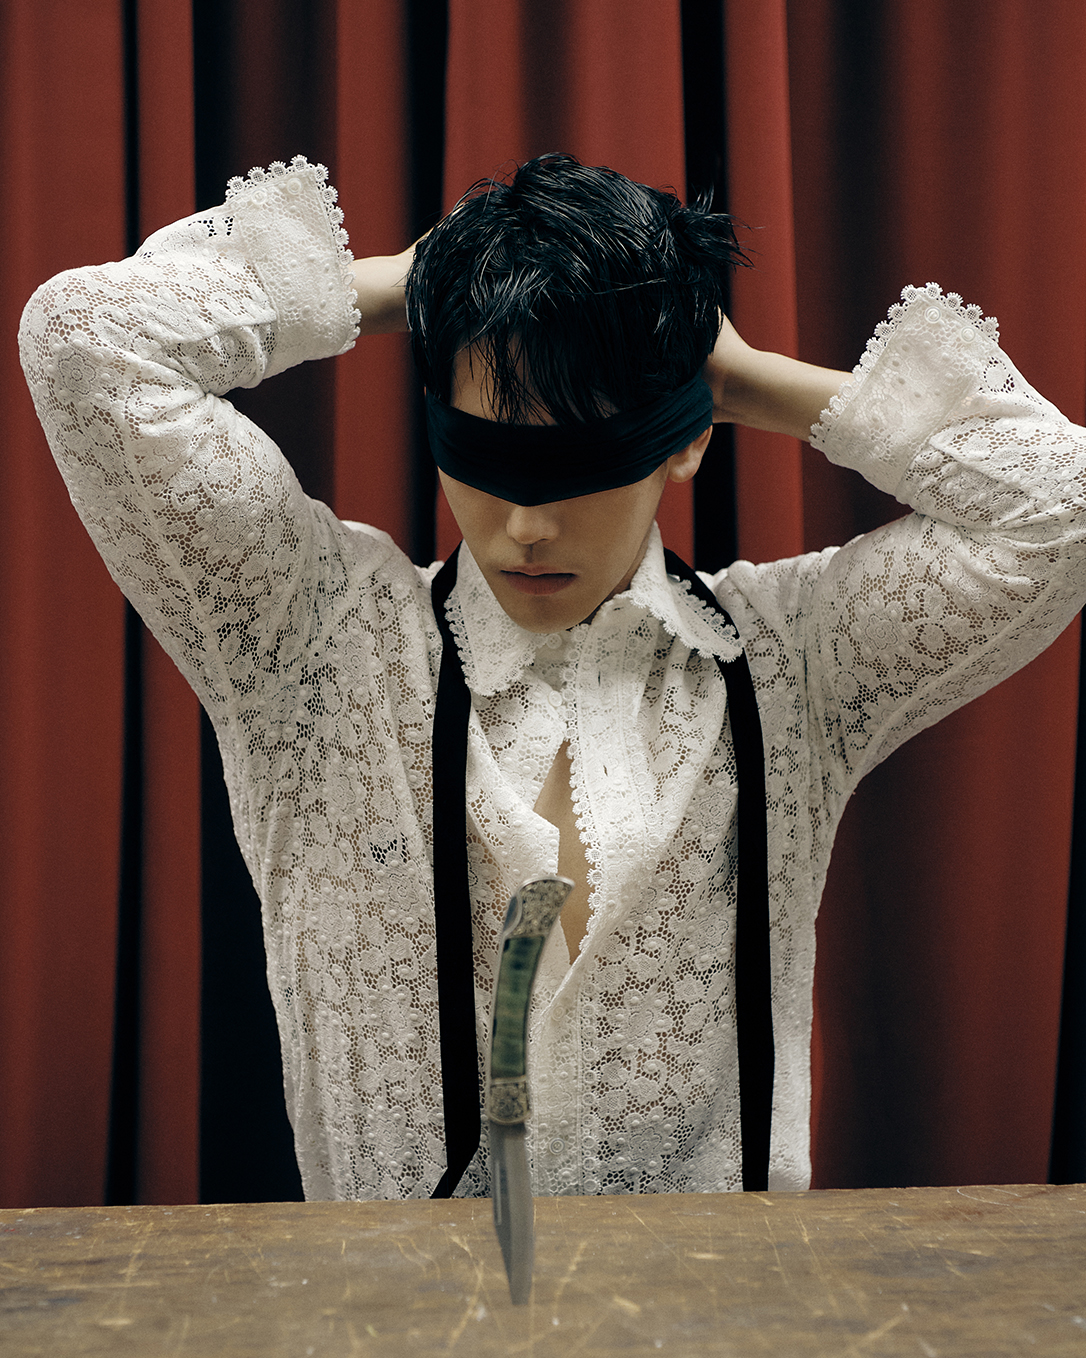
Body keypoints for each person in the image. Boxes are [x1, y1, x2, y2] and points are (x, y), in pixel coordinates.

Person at [19, 153, 1086, 1202]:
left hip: (734, 1298)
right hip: (382, 1302)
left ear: (684, 442)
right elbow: (81, 336)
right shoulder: (316, 640)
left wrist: (743, 381)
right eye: (486, 457)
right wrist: (409, 283)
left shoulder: (788, 660)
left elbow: (1064, 508)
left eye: (581, 462)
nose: (525, 524)